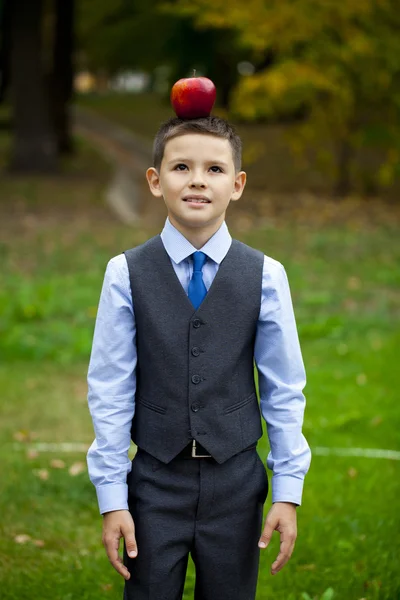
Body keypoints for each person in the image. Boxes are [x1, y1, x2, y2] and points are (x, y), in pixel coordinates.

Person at [86, 115, 311, 600]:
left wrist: (287, 489)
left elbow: (283, 387)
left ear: (237, 184)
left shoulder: (267, 275)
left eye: (214, 169)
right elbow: (110, 387)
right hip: (152, 483)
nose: (196, 181)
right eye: (181, 166)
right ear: (154, 180)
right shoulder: (124, 273)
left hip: (237, 484)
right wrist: (112, 497)